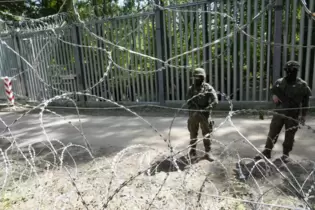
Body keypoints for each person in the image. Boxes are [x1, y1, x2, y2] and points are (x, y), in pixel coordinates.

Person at [254, 60, 312, 163]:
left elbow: (305, 102)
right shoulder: (279, 82)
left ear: (296, 71)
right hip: (279, 113)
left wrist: (303, 116)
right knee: (272, 133)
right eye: (288, 70)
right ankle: (267, 152)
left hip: (293, 115)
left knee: (290, 135)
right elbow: (272, 93)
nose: (290, 72)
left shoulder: (302, 85)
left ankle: (285, 154)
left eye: (293, 70)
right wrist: (274, 96)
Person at [186, 67, 218, 159]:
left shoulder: (208, 88)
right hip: (194, 115)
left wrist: (208, 108)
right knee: (193, 133)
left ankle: (208, 152)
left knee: (207, 134)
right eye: (196, 77)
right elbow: (188, 101)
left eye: (199, 77)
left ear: (203, 77)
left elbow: (215, 100)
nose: (197, 78)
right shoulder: (191, 89)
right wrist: (195, 108)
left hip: (205, 115)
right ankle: (192, 151)